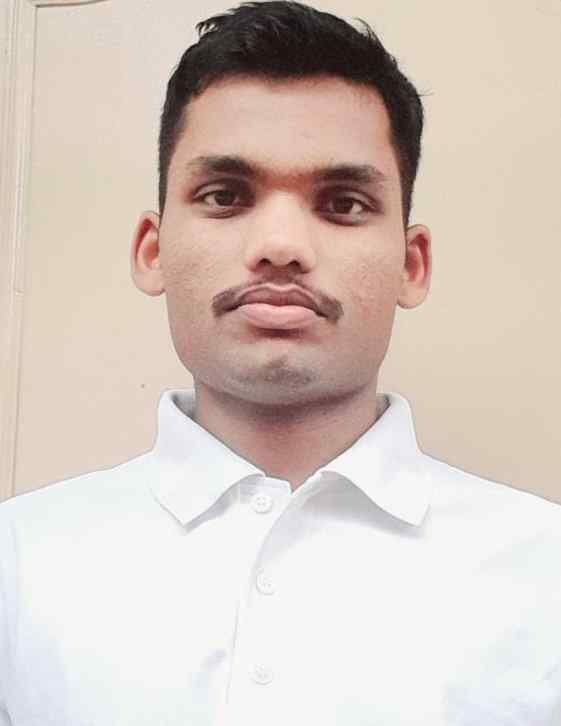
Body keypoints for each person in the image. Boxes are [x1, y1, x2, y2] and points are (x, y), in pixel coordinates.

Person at [1, 1, 560, 724]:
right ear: (152, 250)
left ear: (412, 264)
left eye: (344, 204)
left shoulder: (545, 574)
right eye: (225, 196)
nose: (281, 246)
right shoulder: (17, 563)